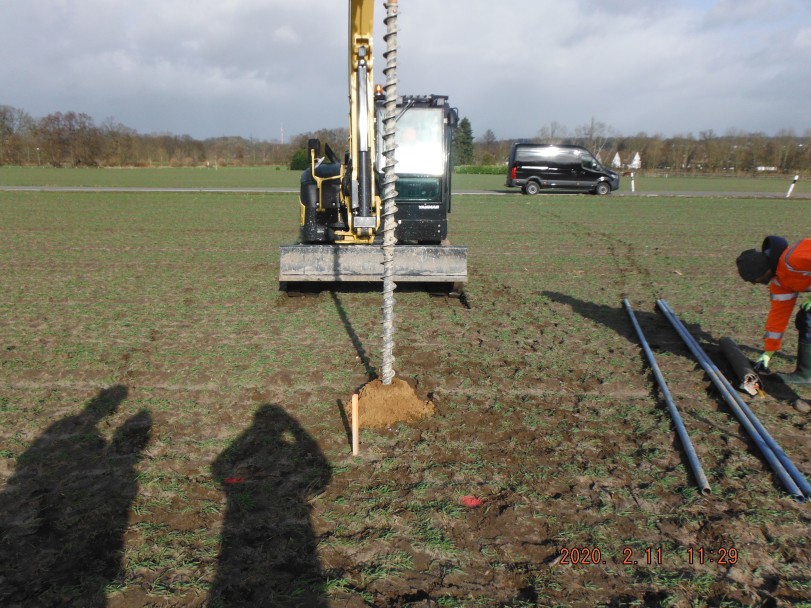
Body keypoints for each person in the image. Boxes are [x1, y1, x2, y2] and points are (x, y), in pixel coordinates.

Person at [736, 235, 811, 385]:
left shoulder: (793, 259)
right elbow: (778, 316)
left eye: (754, 279)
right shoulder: (780, 282)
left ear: (762, 271)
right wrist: (768, 352)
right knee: (805, 319)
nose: (754, 284)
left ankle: (806, 376)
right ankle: (806, 373)